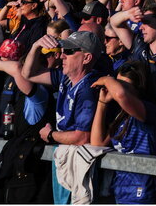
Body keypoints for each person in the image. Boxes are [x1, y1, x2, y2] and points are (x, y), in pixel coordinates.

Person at [24, 30, 103, 204]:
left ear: (87, 58)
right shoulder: (65, 78)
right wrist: (36, 46)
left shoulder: (89, 88)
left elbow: (82, 136)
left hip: (79, 161)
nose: (61, 56)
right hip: (66, 154)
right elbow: (28, 74)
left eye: (68, 51)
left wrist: (50, 135)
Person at [91, 61, 156, 204]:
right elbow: (97, 143)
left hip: (144, 191)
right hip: (122, 189)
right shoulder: (121, 116)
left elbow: (121, 94)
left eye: (124, 85)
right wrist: (102, 103)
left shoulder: (150, 110)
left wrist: (107, 79)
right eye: (117, 83)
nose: (115, 89)